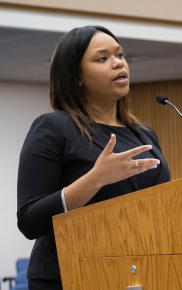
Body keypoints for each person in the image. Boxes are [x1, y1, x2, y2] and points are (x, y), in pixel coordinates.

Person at [17, 26, 171, 290]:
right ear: (76, 76)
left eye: (120, 55)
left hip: (137, 274)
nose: (118, 63)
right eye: (103, 58)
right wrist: (96, 179)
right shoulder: (53, 128)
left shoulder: (144, 134)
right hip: (68, 277)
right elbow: (29, 221)